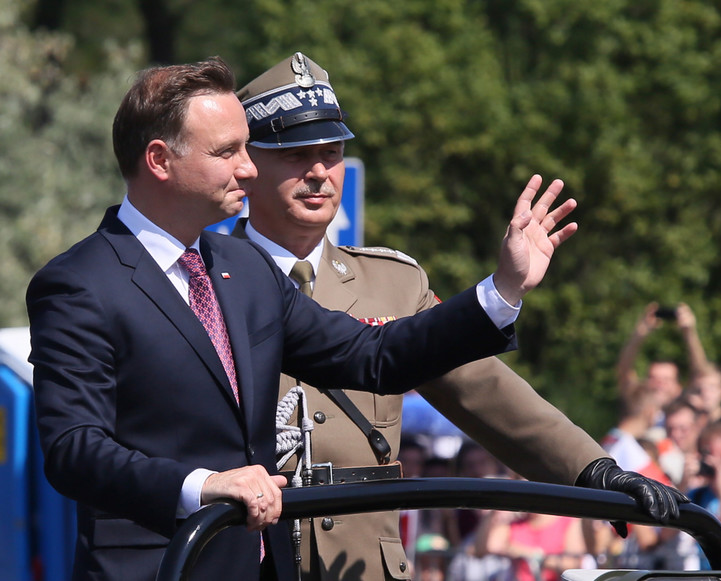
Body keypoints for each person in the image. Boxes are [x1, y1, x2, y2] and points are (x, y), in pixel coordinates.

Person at [27, 56, 586, 581]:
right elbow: (75, 448)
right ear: (159, 161)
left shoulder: (241, 268)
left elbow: (373, 356)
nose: (249, 169)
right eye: (228, 152)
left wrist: (501, 289)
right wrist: (203, 487)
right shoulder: (79, 283)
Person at [234, 52, 688, 580]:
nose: (319, 172)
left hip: (360, 567)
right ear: (248, 163)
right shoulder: (204, 281)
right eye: (296, 154)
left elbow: (483, 389)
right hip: (244, 556)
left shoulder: (393, 284)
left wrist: (596, 471)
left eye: (332, 153)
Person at [617, 303, 710, 418]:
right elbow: (624, 370)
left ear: (678, 386)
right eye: (654, 378)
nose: (659, 384)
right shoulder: (637, 402)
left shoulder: (685, 406)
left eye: (666, 379)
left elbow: (700, 374)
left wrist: (689, 333)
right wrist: (640, 333)